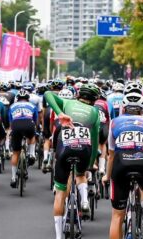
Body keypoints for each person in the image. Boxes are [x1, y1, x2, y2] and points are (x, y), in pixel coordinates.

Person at [46, 83, 102, 239]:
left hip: (64, 148)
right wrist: (91, 163)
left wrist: (60, 114)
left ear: (78, 95)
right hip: (84, 149)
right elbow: (95, 140)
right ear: (94, 100)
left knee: (60, 192)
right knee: (81, 173)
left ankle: (58, 236)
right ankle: (84, 201)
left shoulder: (68, 103)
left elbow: (48, 95)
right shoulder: (95, 112)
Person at [105, 93, 143, 239]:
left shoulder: (114, 122)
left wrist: (107, 176)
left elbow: (110, 155)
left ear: (123, 108)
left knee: (117, 215)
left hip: (121, 162)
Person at [8, 89, 38, 188]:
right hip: (29, 124)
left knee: (16, 152)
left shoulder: (12, 106)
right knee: (32, 136)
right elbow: (35, 120)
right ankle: (32, 153)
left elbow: (10, 121)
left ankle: (13, 178)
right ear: (28, 98)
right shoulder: (32, 105)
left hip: (16, 125)